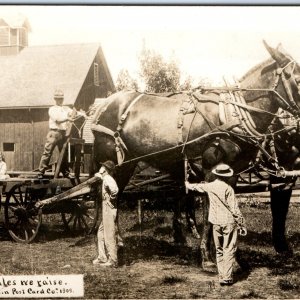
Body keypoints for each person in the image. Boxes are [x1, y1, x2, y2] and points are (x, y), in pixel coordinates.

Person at [185, 163, 246, 286]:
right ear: (227, 176)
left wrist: (187, 183)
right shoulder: (228, 189)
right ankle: (227, 278)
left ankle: (222, 276)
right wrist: (242, 224)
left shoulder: (210, 186)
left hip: (215, 222)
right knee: (228, 249)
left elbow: (196, 187)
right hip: (228, 221)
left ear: (216, 174)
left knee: (219, 249)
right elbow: (234, 209)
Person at [38, 90, 76, 179]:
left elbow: (74, 113)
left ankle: (66, 172)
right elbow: (58, 120)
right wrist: (68, 119)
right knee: (47, 152)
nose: (61, 100)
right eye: (59, 99)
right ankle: (41, 172)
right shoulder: (52, 109)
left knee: (64, 154)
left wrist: (82, 113)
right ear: (55, 99)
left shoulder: (66, 108)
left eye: (62, 98)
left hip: (63, 133)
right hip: (54, 133)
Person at [93, 160, 119, 268]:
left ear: (106, 169)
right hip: (106, 207)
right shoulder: (105, 177)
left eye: (103, 167)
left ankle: (113, 260)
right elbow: (98, 176)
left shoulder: (108, 178)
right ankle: (102, 257)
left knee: (109, 234)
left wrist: (111, 199)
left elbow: (115, 190)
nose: (101, 167)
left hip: (108, 207)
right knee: (100, 232)